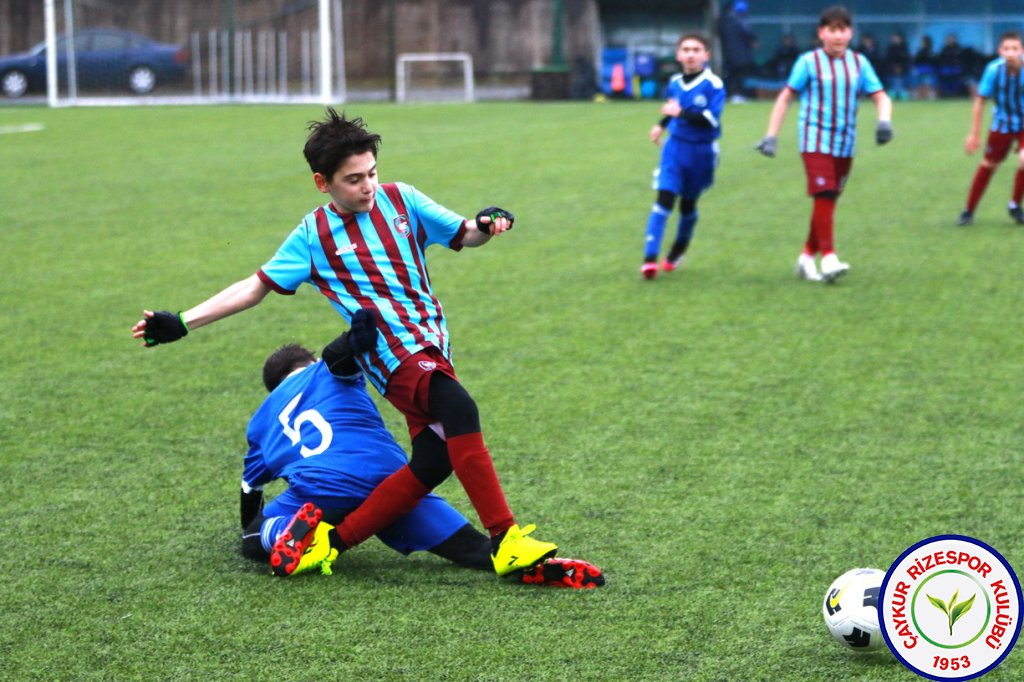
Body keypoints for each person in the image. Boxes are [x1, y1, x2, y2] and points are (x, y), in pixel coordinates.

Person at [132, 108, 560, 579]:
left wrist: (487, 222)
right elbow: (254, 287)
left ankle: (330, 544)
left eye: (372, 173)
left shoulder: (404, 200)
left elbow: (464, 233)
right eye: (353, 179)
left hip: (433, 346)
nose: (368, 186)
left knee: (434, 461)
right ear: (323, 183)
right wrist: (184, 322)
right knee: (461, 410)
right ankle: (506, 538)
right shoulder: (311, 236)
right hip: (392, 354)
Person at [240, 335, 604, 588]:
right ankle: (532, 566)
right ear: (311, 363)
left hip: (319, 491)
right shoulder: (327, 371)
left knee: (253, 535)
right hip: (393, 484)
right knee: (472, 548)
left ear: (274, 388)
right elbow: (344, 355)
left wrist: (252, 527)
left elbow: (249, 487)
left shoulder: (261, 418)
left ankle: (285, 533)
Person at [755, 5, 893, 283]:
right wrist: (771, 136)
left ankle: (807, 257)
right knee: (825, 194)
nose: (837, 36)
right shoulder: (808, 62)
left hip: (845, 143)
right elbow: (785, 97)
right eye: (832, 30)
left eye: (842, 30)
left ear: (850, 33)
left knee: (827, 201)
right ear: (821, 33)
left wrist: (884, 122)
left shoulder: (859, 63)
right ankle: (829, 258)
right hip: (814, 139)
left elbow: (881, 96)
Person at [641, 33, 725, 279]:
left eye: (696, 49)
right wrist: (661, 125)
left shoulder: (714, 85)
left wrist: (680, 112)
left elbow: (710, 119)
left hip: (702, 151)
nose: (690, 54)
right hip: (675, 148)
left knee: (688, 204)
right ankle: (649, 259)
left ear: (706, 55)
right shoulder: (675, 82)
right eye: (685, 49)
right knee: (664, 198)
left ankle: (678, 249)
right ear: (678, 55)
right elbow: (672, 108)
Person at [957, 32, 1024, 227]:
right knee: (988, 165)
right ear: (999, 51)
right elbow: (980, 102)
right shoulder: (993, 70)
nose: (1010, 53)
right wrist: (974, 135)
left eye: (1015, 48)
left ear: (1021, 51)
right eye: (1006, 49)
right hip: (1002, 124)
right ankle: (968, 210)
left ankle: (1014, 205)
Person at [717, 1, 758, 103]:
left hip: (729, 54)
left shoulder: (724, 20)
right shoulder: (737, 20)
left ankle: (734, 94)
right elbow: (748, 33)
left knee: (733, 75)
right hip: (738, 55)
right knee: (737, 76)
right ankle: (736, 94)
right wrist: (753, 40)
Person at [883, 32, 912, 101]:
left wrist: (901, 67)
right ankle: (892, 94)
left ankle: (902, 94)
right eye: (894, 38)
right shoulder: (890, 48)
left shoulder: (904, 47)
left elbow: (906, 59)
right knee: (893, 82)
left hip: (903, 70)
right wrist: (894, 67)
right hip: (891, 71)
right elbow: (888, 59)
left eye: (896, 38)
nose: (895, 39)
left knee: (901, 82)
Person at [913, 35, 937, 101]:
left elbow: (933, 61)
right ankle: (920, 96)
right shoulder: (919, 52)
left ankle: (930, 96)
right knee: (920, 84)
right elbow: (916, 61)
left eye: (923, 42)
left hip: (929, 70)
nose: (922, 43)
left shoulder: (931, 51)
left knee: (928, 84)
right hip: (920, 70)